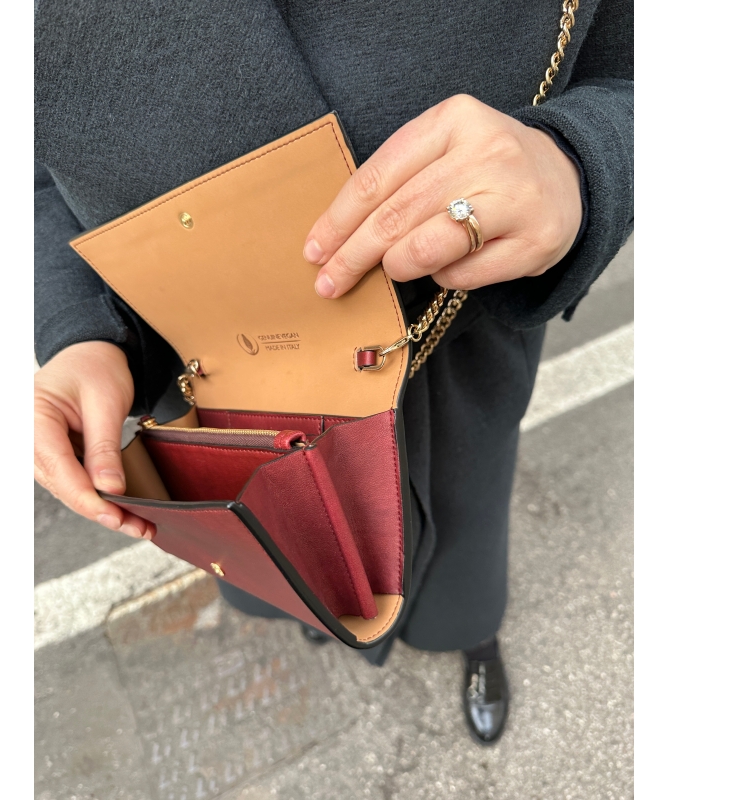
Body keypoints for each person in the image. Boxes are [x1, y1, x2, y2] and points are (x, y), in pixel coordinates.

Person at [34, 0, 633, 745]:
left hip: (455, 356)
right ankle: (320, 606)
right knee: (288, 556)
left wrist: (580, 162)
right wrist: (79, 332)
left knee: (463, 553)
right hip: (217, 382)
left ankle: (469, 635)